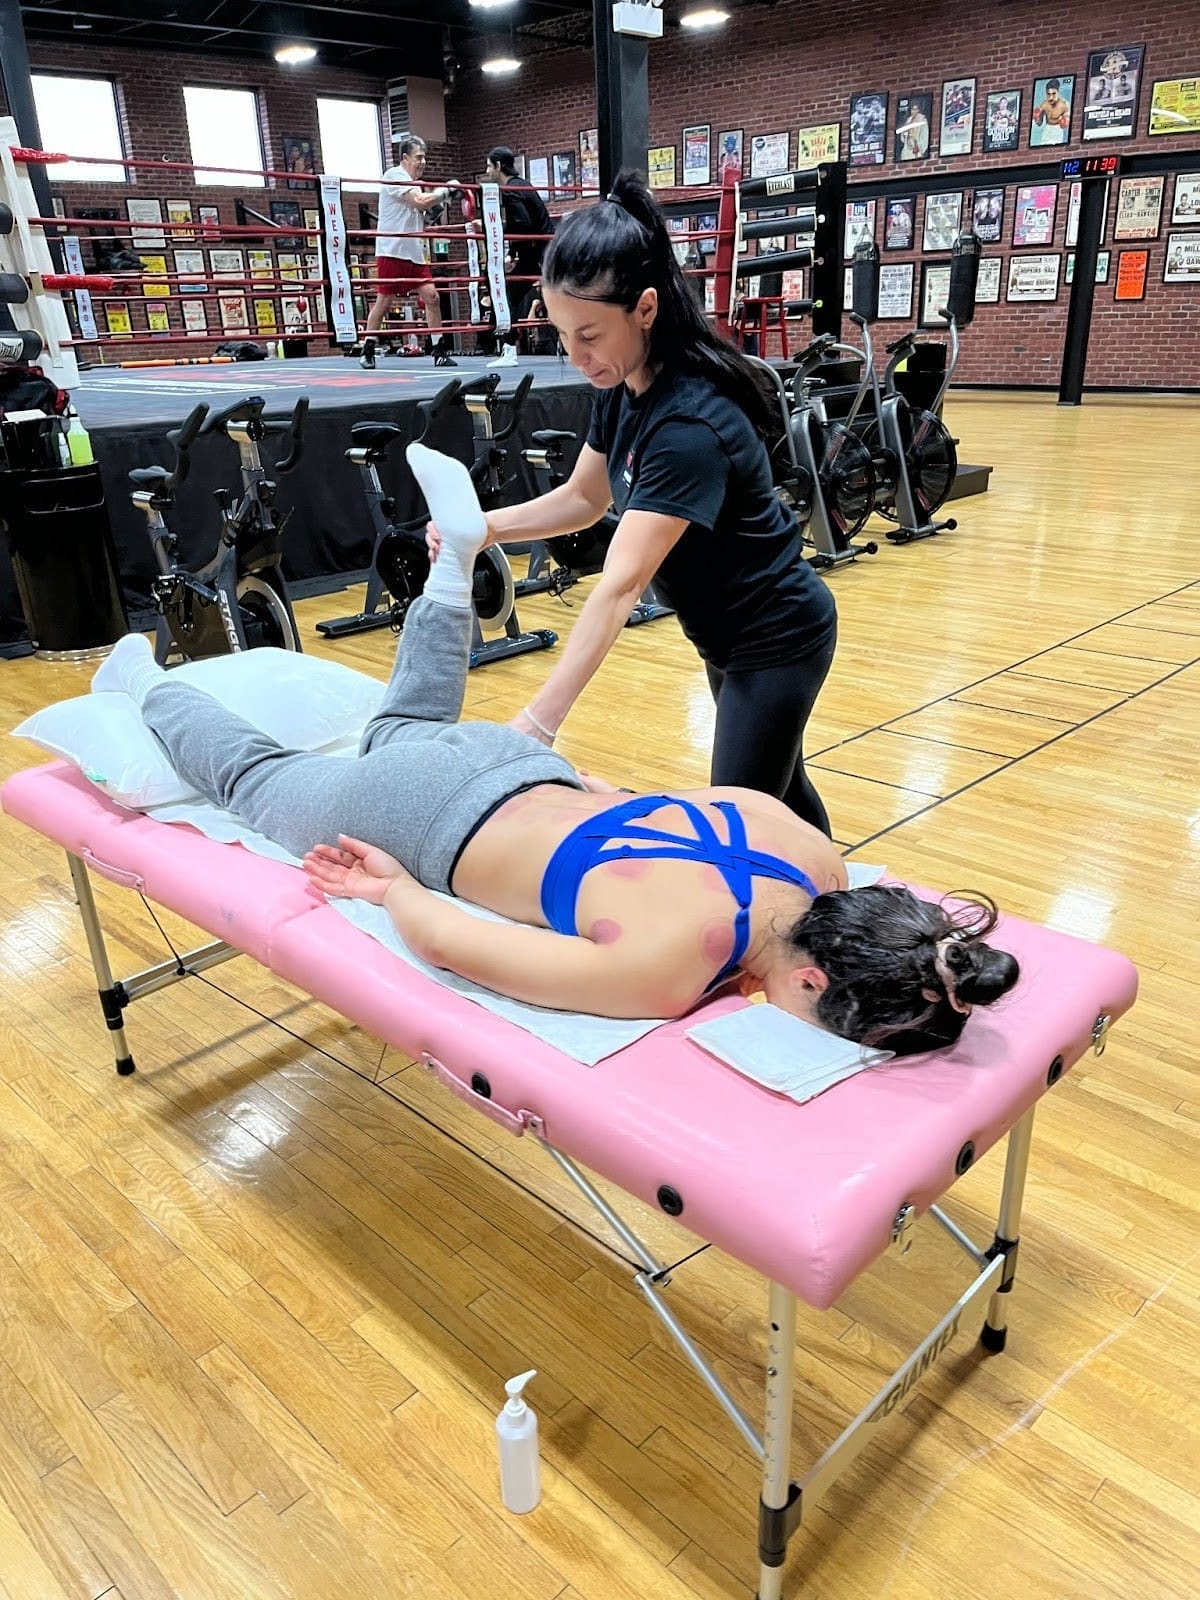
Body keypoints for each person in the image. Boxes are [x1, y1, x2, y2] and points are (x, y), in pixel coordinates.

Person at [93, 444, 1017, 1051]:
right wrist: (392, 891)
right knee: (256, 780)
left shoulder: (814, 852)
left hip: (524, 766)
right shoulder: (667, 968)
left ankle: (453, 567)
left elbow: (661, 815)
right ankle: (138, 679)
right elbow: (456, 944)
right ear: (813, 978)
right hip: (422, 820)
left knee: (406, 723)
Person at [429, 169, 840, 835]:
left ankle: (827, 911)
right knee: (780, 795)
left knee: (740, 821)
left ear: (645, 309)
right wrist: (481, 528)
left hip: (778, 637)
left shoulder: (687, 428)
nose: (576, 355)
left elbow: (619, 587)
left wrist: (541, 719)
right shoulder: (624, 389)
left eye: (589, 335)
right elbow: (584, 498)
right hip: (730, 634)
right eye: (564, 335)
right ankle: (845, 906)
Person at [361, 135, 458, 372]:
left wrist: (439, 204)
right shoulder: (393, 175)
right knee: (385, 301)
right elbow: (420, 202)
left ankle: (439, 350)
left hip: (414, 251)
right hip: (392, 250)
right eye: (419, 157)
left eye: (425, 157)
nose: (423, 162)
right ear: (405, 158)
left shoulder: (414, 183)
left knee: (432, 297)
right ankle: (368, 349)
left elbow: (423, 210)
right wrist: (445, 192)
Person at [482, 145, 555, 369]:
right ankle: (507, 348)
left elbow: (523, 223)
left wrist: (499, 231)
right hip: (542, 250)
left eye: (488, 165)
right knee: (510, 294)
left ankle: (509, 350)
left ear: (498, 166)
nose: (487, 171)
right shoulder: (523, 185)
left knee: (507, 295)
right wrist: (514, 251)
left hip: (537, 252)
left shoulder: (511, 190)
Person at [1031, 79, 1072, 143]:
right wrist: (1036, 118)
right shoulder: (1044, 104)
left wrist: (1063, 120)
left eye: (1053, 94)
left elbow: (1065, 125)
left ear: (1058, 92)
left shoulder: (1064, 104)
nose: (1051, 97)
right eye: (1048, 94)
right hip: (1047, 130)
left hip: (1057, 131)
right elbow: (1039, 123)